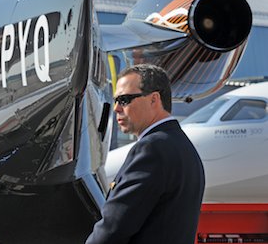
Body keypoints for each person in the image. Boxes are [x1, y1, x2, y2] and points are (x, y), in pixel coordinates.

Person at [86, 64, 205, 244]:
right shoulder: (183, 147)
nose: (116, 108)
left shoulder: (152, 148)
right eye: (116, 100)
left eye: (125, 99)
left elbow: (114, 227)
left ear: (154, 99)